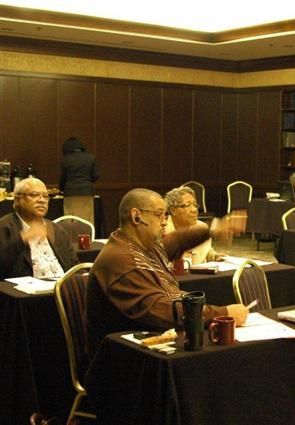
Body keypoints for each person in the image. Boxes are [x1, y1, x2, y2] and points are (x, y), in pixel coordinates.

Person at [85, 188, 248, 355]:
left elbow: (176, 241)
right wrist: (222, 314)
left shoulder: (145, 246)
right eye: (159, 214)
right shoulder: (121, 260)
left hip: (148, 347)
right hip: (125, 359)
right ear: (136, 217)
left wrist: (213, 229)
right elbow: (160, 311)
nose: (165, 221)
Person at [0, 177, 78, 279]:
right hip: (27, 292)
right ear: (18, 200)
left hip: (62, 288)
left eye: (45, 196)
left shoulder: (56, 229)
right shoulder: (4, 227)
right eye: (34, 195)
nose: (42, 200)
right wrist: (22, 239)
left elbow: (74, 264)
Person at [165, 186, 223, 265]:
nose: (194, 210)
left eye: (195, 205)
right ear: (173, 210)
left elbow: (206, 251)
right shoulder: (162, 230)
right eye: (188, 205)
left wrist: (214, 256)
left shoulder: (202, 227)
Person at [59, 137, 100, 225]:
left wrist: (61, 189)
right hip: (86, 191)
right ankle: (87, 237)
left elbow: (63, 178)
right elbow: (96, 176)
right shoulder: (90, 158)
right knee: (87, 219)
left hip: (70, 192)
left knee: (69, 219)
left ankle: (70, 238)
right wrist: (87, 182)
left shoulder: (65, 160)